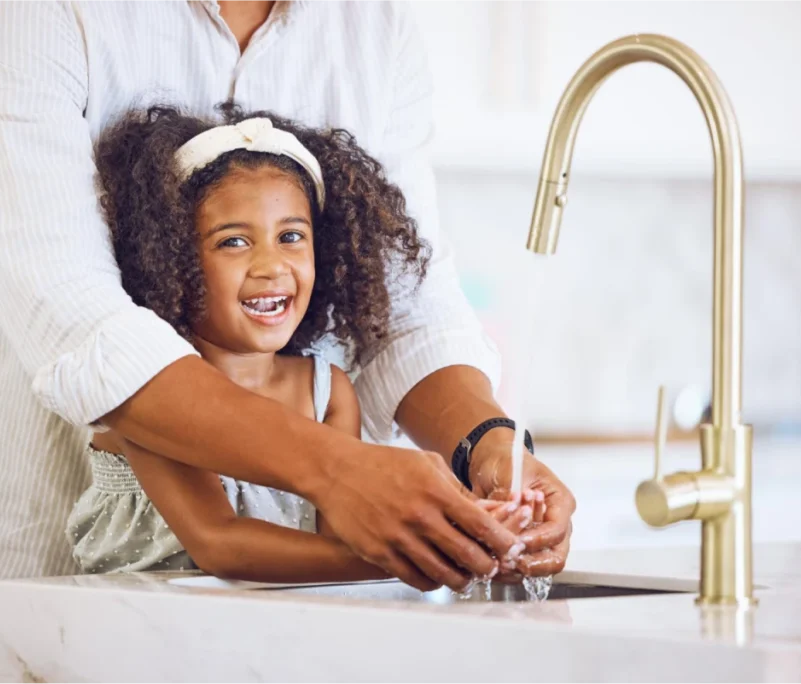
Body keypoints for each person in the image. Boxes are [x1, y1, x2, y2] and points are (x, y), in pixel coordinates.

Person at [0, 1, 575, 681]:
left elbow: (410, 310)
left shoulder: (374, 25)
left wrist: (488, 448)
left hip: (268, 641)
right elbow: (79, 323)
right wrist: (346, 480)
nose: (270, 264)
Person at [66, 104, 538, 581]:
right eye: (233, 242)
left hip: (275, 639)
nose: (272, 266)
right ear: (167, 260)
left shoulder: (326, 392)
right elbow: (218, 542)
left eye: (291, 236)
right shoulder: (149, 396)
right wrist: (406, 555)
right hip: (138, 636)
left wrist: (461, 529)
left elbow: (343, 536)